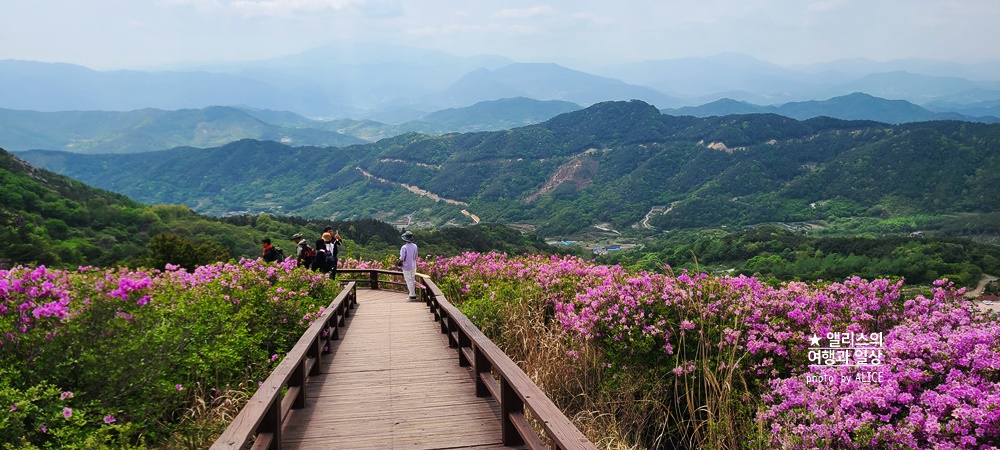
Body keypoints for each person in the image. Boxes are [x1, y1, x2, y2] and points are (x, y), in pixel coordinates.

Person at [399, 230, 418, 300]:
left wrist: (400, 260)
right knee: (413, 279)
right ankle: (413, 294)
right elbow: (416, 257)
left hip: (406, 266)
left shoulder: (404, 247)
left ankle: (412, 295)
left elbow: (402, 257)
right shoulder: (415, 246)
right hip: (413, 265)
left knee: (409, 280)